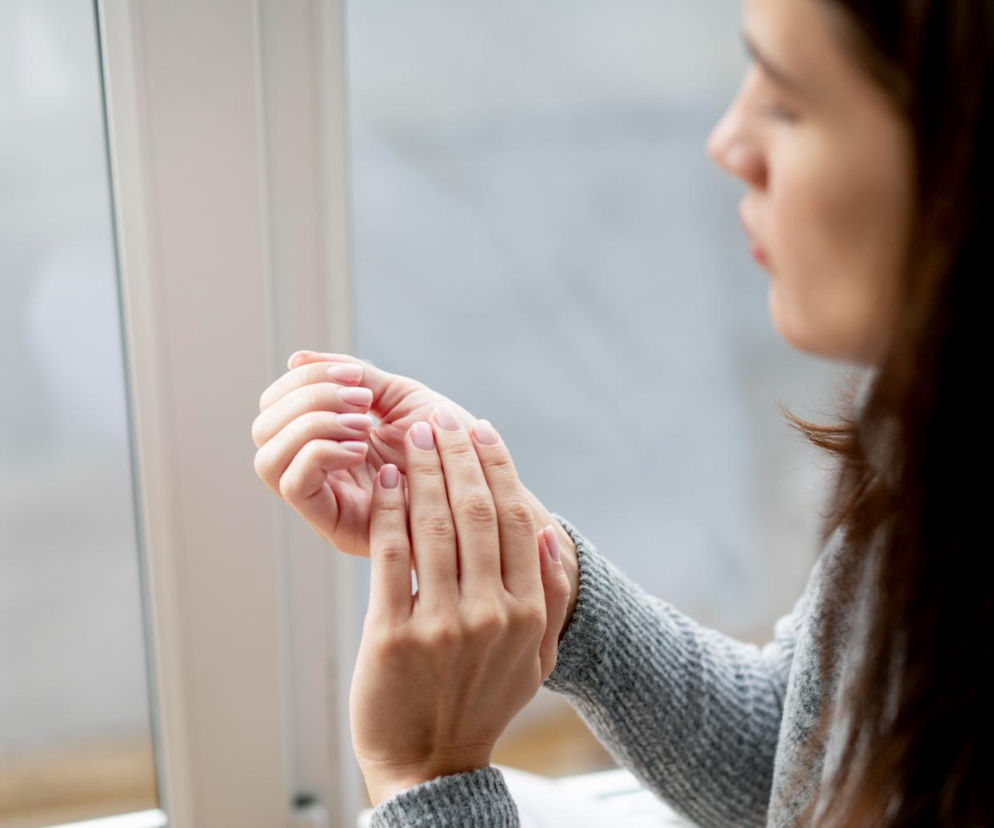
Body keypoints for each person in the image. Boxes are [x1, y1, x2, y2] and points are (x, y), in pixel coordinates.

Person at [251, 0, 993, 824]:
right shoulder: (939, 472)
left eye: (787, 103)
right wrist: (551, 581)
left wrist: (428, 776)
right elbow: (812, 757)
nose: (729, 142)